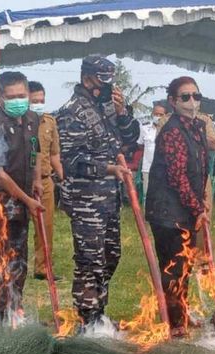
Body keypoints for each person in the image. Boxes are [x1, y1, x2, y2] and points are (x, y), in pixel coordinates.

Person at [57, 56, 139, 329]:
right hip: (85, 198)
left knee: (111, 256)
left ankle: (99, 311)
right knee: (89, 258)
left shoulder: (105, 108)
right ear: (87, 77)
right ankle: (87, 317)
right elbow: (72, 161)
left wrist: (123, 112)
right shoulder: (72, 111)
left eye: (110, 79)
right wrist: (107, 169)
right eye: (102, 79)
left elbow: (129, 139)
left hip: (109, 198)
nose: (107, 85)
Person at [145, 77, 210, 338]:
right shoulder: (172, 130)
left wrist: (200, 202)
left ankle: (181, 312)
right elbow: (177, 176)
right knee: (174, 267)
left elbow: (200, 169)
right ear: (172, 101)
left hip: (185, 206)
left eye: (196, 96)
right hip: (167, 211)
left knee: (184, 267)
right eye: (185, 97)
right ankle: (175, 324)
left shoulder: (198, 127)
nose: (191, 102)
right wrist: (198, 208)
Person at [0, 71, 42, 326]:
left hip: (23, 202)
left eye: (22, 96)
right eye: (12, 97)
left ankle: (15, 307)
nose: (18, 100)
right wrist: (27, 199)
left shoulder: (32, 119)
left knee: (18, 259)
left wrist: (36, 179)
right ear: (1, 96)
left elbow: (35, 151)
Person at [28, 81, 63, 281]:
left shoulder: (50, 121)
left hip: (45, 181)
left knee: (45, 226)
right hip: (22, 183)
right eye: (35, 101)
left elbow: (54, 154)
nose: (39, 104)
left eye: (42, 100)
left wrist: (62, 177)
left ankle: (43, 267)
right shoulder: (21, 122)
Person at [138, 104, 166, 198]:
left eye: (161, 114)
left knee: (163, 196)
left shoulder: (169, 129)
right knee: (148, 195)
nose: (158, 117)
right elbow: (140, 144)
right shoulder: (144, 128)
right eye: (156, 114)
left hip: (164, 168)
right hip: (148, 168)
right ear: (152, 114)